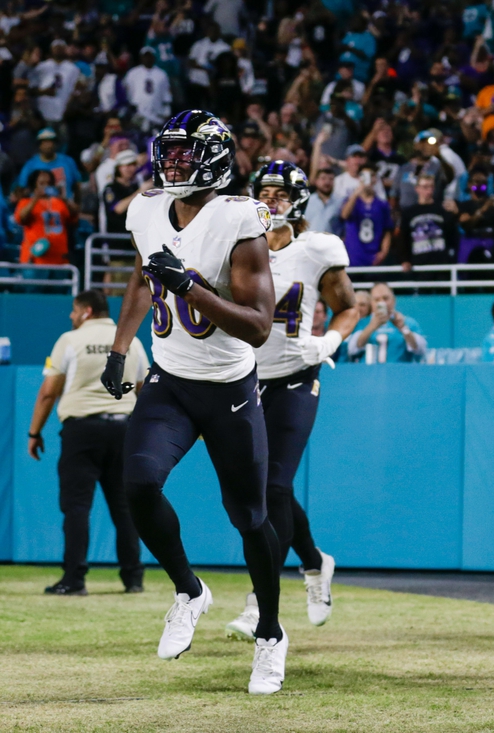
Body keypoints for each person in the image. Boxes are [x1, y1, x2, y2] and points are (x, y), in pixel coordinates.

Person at [100, 110, 287, 695]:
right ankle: (189, 589)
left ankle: (271, 636)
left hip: (229, 386)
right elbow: (141, 276)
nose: (174, 163)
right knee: (136, 485)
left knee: (249, 518)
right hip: (170, 377)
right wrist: (119, 345)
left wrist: (190, 287)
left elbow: (258, 327)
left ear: (216, 158)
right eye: (170, 152)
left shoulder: (239, 218)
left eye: (186, 154)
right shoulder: (147, 208)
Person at [224, 161, 360, 639]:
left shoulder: (317, 248)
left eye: (281, 193)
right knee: (260, 490)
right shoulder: (242, 246)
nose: (272, 200)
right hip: (245, 380)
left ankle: (260, 600)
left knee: (274, 488)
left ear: (299, 198)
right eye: (264, 192)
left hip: (297, 378)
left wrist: (328, 343)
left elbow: (349, 307)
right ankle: (315, 562)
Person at [28, 290, 149, 596]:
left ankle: (74, 579)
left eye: (74, 310)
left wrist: (34, 432)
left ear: (86, 311)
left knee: (77, 507)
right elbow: (143, 390)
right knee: (125, 507)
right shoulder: (132, 342)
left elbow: (47, 392)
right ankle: (133, 578)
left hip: (81, 431)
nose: (71, 316)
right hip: (123, 430)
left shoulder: (70, 340)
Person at [346, 283, 427, 363]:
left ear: (393, 300)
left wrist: (403, 328)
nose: (382, 303)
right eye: (377, 300)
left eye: (385, 298)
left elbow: (420, 350)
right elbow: (352, 349)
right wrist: (371, 327)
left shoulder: (407, 322)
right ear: (371, 303)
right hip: (368, 373)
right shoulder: (363, 322)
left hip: (399, 372)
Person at [395, 174, 459, 269]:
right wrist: (405, 260)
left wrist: (455, 214)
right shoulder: (409, 213)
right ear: (417, 189)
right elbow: (403, 238)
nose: (429, 191)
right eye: (425, 187)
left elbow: (452, 235)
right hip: (418, 262)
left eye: (431, 187)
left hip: (441, 263)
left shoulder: (442, 210)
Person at [16, 169, 76, 267]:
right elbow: (21, 218)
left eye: (49, 183)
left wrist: (64, 198)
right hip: (35, 258)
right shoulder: (26, 202)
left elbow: (73, 217)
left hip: (59, 259)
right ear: (34, 185)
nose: (46, 186)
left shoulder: (60, 203)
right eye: (41, 183)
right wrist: (36, 198)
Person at [340, 169, 394, 267]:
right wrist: (356, 193)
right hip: (353, 256)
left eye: (371, 175)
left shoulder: (382, 204)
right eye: (364, 175)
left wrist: (384, 252)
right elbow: (344, 215)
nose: (368, 178)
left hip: (374, 255)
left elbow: (387, 230)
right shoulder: (351, 201)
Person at [18, 128, 82, 200]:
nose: (48, 145)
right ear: (39, 145)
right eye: (44, 142)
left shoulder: (68, 161)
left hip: (64, 207)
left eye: (51, 141)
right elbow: (22, 188)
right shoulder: (30, 165)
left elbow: (77, 186)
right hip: (38, 208)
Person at [123, 47, 173, 132]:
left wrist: (166, 112)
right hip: (137, 112)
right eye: (145, 56)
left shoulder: (161, 74)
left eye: (150, 56)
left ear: (154, 57)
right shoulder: (133, 73)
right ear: (141, 58)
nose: (147, 59)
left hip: (156, 112)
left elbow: (166, 95)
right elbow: (126, 91)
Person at [103, 151, 152, 234]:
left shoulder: (135, 186)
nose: (132, 169)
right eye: (128, 166)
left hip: (135, 235)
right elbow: (118, 209)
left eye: (133, 165)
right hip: (117, 237)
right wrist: (140, 192)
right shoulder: (111, 188)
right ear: (118, 168)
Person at [302, 167, 342, 235]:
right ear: (316, 181)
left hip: (331, 243)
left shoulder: (339, 202)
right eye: (323, 179)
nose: (327, 182)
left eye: (331, 179)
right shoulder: (307, 201)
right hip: (309, 242)